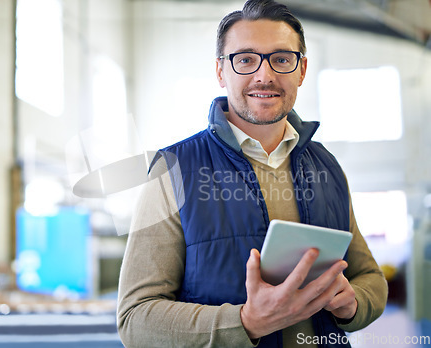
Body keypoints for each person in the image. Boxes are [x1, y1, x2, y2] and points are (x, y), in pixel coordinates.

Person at [117, 0, 388, 347]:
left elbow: (371, 279)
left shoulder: (327, 167)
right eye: (245, 59)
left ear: (301, 70)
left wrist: (352, 304)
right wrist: (245, 323)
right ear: (221, 72)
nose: (265, 75)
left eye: (281, 59)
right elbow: (135, 320)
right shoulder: (173, 171)